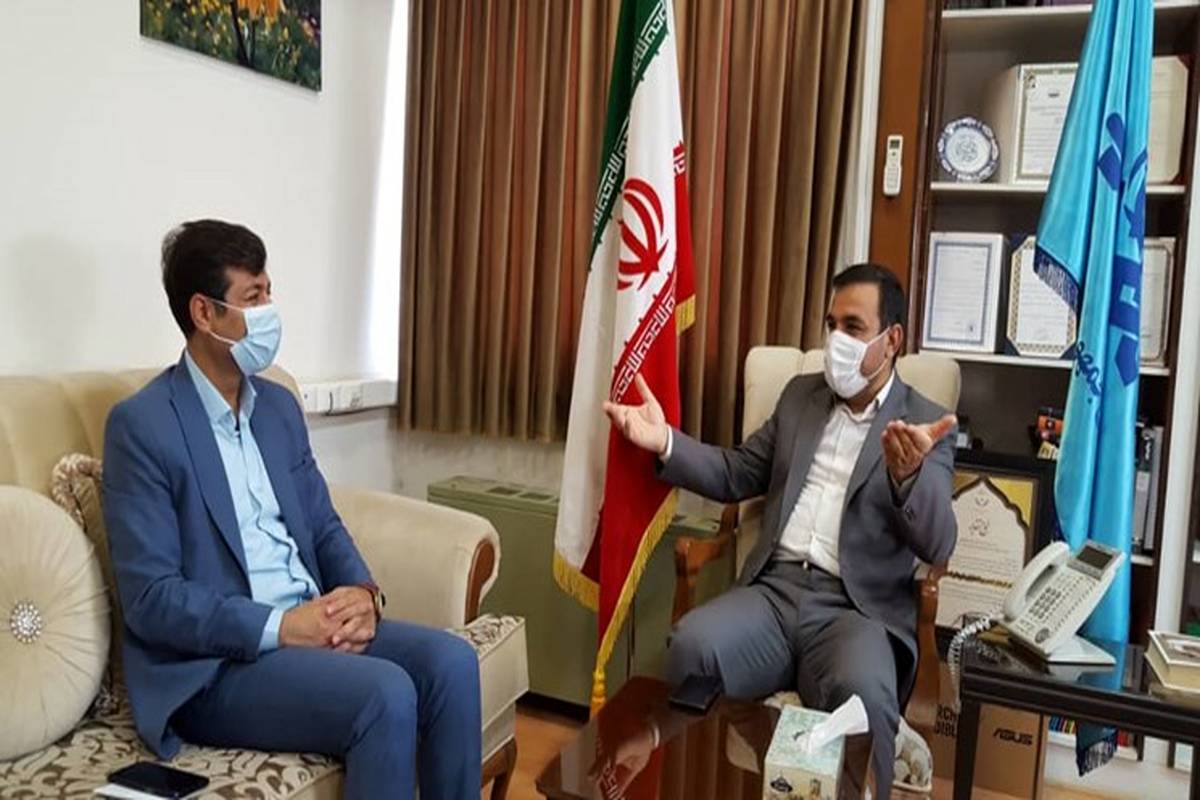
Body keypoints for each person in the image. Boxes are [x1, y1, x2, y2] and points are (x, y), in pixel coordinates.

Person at [103, 220, 481, 800]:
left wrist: (362, 594)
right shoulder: (143, 426)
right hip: (217, 666)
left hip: (309, 622)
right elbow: (152, 599)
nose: (269, 312)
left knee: (452, 664)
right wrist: (281, 627)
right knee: (385, 693)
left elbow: (322, 523)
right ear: (203, 313)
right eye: (253, 297)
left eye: (269, 292)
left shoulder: (277, 407)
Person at [604, 262, 958, 795]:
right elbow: (737, 472)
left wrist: (908, 479)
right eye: (831, 324)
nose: (836, 340)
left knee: (865, 699)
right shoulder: (800, 397)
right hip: (773, 595)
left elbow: (939, 543)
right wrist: (665, 442)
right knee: (692, 647)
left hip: (854, 612)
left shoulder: (924, 422)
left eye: (854, 327)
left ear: (892, 340)